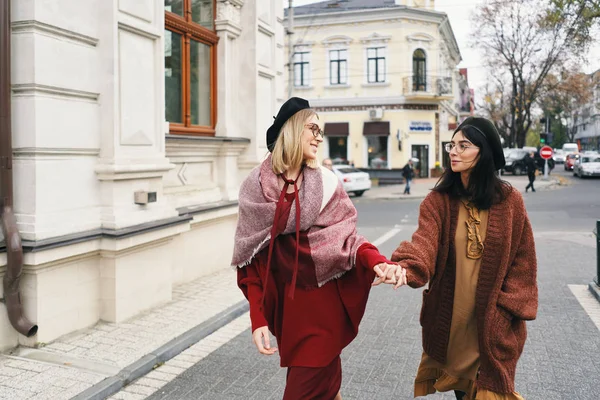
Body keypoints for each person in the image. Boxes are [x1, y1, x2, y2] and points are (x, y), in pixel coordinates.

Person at [232, 97, 395, 400]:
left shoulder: (327, 183)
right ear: (292, 129)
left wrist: (377, 262)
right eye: (313, 129)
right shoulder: (255, 187)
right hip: (290, 318)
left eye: (321, 132)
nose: (319, 137)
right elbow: (250, 263)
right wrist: (258, 318)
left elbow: (348, 240)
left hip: (325, 312)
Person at [377, 117, 538, 400]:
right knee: (464, 394)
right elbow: (423, 244)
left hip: (492, 327)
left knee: (493, 392)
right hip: (453, 324)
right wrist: (406, 267)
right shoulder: (438, 202)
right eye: (452, 145)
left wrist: (506, 310)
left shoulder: (510, 201)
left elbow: (523, 262)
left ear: (484, 152)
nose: (453, 151)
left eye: (464, 145)